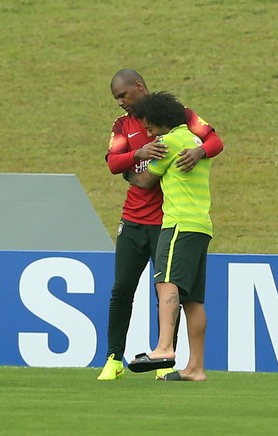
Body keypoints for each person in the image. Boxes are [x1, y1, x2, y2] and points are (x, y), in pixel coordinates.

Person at [97, 69, 223, 381]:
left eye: (123, 96)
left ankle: (164, 356)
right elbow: (113, 162)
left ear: (139, 87)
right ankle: (116, 359)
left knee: (167, 290)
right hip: (141, 219)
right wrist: (137, 153)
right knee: (127, 289)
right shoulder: (123, 126)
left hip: (169, 223)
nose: (120, 104)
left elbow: (215, 140)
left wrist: (199, 151)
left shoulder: (178, 121)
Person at [125, 91, 215, 381]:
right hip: (201, 225)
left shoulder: (166, 143)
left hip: (177, 224)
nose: (148, 133)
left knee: (165, 282)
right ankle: (196, 368)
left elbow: (145, 180)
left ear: (162, 122)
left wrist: (127, 169)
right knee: (193, 300)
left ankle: (164, 348)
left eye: (150, 127)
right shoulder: (195, 141)